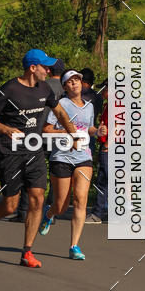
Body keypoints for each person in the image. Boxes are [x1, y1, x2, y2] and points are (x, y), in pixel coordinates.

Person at [0, 49, 77, 268]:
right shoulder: (9, 89)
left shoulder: (45, 88)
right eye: (45, 67)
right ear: (33, 68)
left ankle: (27, 252)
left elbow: (59, 112)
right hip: (10, 153)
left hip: (35, 151)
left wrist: (73, 133)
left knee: (38, 198)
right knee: (11, 206)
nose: (49, 70)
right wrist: (5, 128)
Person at [39, 70, 102, 260]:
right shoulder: (60, 105)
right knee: (61, 205)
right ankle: (49, 214)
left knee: (80, 200)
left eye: (78, 80)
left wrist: (97, 130)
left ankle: (74, 246)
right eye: (70, 81)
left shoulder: (89, 106)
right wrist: (67, 135)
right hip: (61, 157)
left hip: (84, 157)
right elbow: (47, 130)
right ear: (65, 86)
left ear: (82, 84)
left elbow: (88, 128)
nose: (75, 83)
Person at [14, 57, 66, 223]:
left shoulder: (41, 85)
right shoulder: (65, 89)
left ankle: (23, 211)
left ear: (49, 70)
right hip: (56, 135)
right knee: (55, 175)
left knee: (28, 173)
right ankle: (50, 212)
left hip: (35, 134)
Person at [86, 83, 108, 223]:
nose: (103, 92)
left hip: (110, 147)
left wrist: (107, 144)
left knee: (103, 180)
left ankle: (97, 214)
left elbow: (118, 125)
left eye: (105, 89)